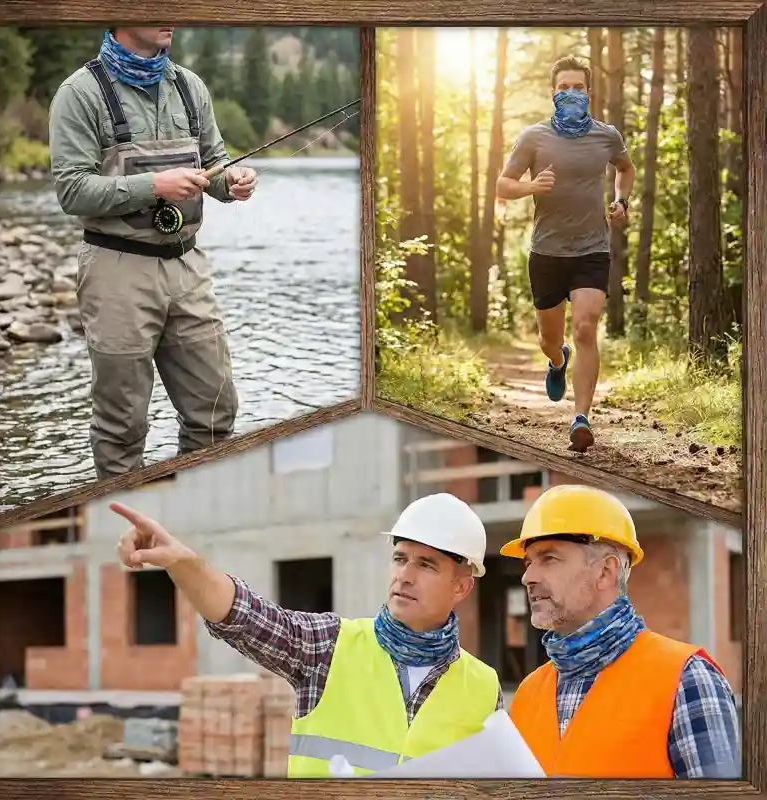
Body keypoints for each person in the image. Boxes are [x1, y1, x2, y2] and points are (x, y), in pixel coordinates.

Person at [111, 492, 502, 777]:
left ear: (462, 587)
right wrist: (184, 564)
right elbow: (246, 616)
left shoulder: (484, 688)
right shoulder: (330, 647)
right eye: (399, 558)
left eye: (426, 565)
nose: (405, 574)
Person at [48, 27, 258, 479]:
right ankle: (128, 539)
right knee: (122, 425)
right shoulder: (80, 93)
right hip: (116, 268)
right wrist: (154, 186)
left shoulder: (190, 86)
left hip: (188, 267)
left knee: (216, 413)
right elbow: (71, 191)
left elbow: (215, 166)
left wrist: (233, 182)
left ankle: (190, 526)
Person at [500, 483, 741, 779]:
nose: (528, 577)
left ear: (606, 571)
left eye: (548, 559)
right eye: (528, 562)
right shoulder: (527, 695)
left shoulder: (687, 680)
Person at [496, 56, 636, 453]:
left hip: (593, 248)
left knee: (586, 327)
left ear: (588, 92)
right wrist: (530, 187)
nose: (571, 93)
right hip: (548, 252)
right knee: (549, 339)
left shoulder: (606, 136)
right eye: (563, 87)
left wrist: (621, 201)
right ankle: (558, 361)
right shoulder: (533, 138)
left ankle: (582, 419)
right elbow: (503, 185)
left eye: (578, 87)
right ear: (552, 93)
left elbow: (626, 169)